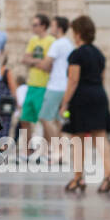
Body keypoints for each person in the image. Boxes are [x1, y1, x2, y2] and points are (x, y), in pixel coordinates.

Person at [59, 15, 110, 192]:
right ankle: (109, 174)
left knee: (78, 139)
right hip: (99, 94)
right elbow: (102, 77)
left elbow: (73, 80)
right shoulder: (99, 54)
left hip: (82, 97)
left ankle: (78, 178)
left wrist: (64, 103)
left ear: (78, 33)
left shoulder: (76, 54)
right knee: (101, 137)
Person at [38, 16, 74, 146]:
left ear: (59, 28)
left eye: (52, 26)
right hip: (65, 86)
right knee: (58, 120)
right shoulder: (69, 43)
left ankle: (57, 148)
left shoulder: (57, 43)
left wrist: (34, 61)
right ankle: (60, 150)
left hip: (55, 86)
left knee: (45, 117)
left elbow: (45, 64)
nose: (50, 28)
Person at [21, 14, 54, 145]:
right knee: (24, 118)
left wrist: (33, 61)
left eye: (35, 25)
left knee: (43, 119)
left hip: (44, 85)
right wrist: (38, 61)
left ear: (43, 26)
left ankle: (47, 149)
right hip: (31, 84)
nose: (32, 27)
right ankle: (27, 150)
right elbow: (24, 59)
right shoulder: (33, 40)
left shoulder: (51, 41)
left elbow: (48, 65)